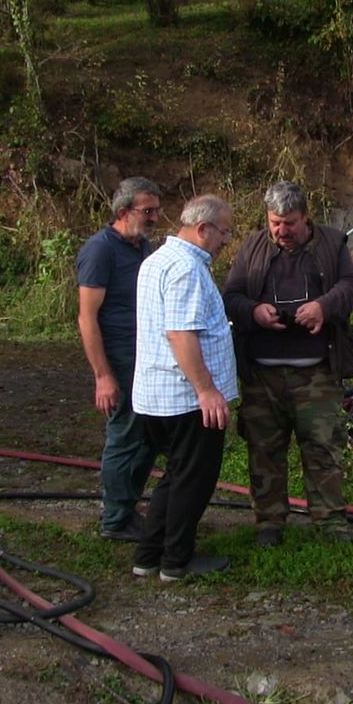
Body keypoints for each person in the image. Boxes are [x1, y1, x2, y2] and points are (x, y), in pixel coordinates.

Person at [223, 181, 353, 546]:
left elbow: (350, 286)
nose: (282, 231)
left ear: (306, 218)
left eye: (290, 223)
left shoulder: (333, 244)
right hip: (261, 375)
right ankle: (269, 523)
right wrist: (254, 312)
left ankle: (330, 524)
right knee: (264, 452)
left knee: (323, 449)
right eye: (275, 223)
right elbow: (231, 296)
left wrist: (323, 306)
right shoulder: (251, 248)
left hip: (316, 372)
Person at [130, 194, 238, 582]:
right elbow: (180, 334)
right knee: (193, 480)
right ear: (203, 228)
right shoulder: (186, 269)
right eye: (224, 232)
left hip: (158, 396)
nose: (227, 240)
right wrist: (207, 391)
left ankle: (149, 555)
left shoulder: (156, 260)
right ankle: (176, 561)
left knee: (176, 475)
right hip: (185, 399)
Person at [76, 177, 163, 542]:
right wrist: (103, 376)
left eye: (157, 210)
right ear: (123, 212)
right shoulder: (101, 250)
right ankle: (115, 519)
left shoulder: (142, 247)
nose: (155, 217)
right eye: (148, 211)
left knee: (147, 436)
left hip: (144, 358)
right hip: (120, 359)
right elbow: (87, 317)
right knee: (124, 435)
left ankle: (128, 508)